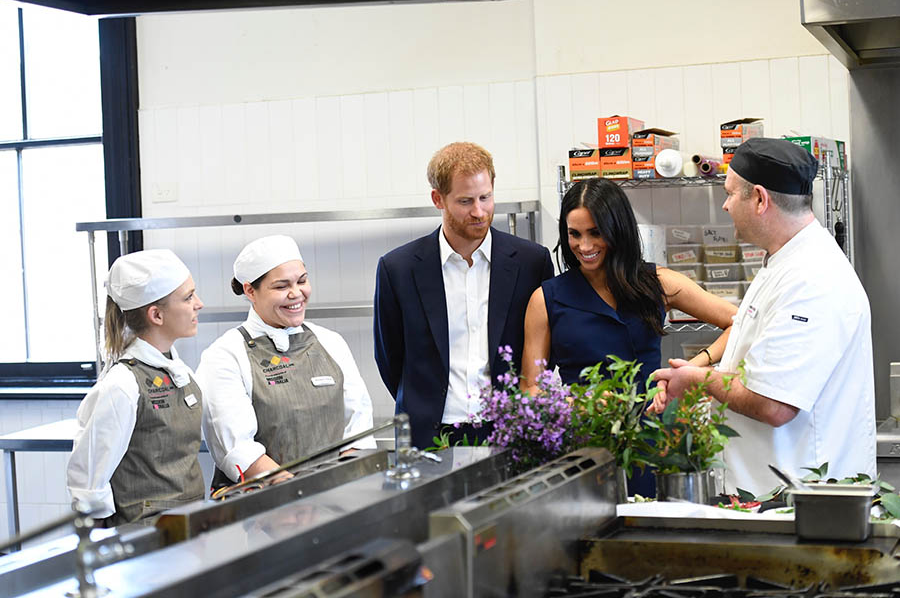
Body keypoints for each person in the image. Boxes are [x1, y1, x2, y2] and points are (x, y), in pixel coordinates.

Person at [649, 138, 876, 495]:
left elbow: (774, 404)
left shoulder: (812, 278)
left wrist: (698, 380)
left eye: (728, 194)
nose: (725, 206)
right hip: (771, 495)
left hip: (805, 503)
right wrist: (696, 377)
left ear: (759, 199)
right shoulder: (783, 263)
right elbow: (756, 370)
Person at [521, 177, 737, 495]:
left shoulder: (656, 282)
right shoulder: (546, 299)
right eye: (574, 234)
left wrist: (693, 367)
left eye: (596, 233)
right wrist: (575, 404)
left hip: (655, 440)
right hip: (584, 449)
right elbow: (530, 388)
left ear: (617, 229)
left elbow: (739, 323)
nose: (585, 246)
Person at [373, 141, 555, 449]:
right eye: (465, 201)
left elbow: (543, 350)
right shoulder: (398, 268)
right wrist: (423, 401)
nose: (479, 212)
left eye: (486, 197)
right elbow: (389, 357)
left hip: (508, 430)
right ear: (438, 199)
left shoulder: (531, 262)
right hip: (428, 433)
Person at [197, 235, 376, 489]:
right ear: (250, 291)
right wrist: (300, 498)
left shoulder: (330, 342)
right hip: (262, 509)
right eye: (281, 286)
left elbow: (358, 426)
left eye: (302, 281)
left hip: (334, 496)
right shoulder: (226, 355)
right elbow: (239, 450)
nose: (297, 294)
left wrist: (343, 491)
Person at [67, 249, 205, 525]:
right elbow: (89, 483)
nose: (198, 304)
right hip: (143, 539)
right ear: (156, 315)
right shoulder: (121, 385)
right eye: (188, 297)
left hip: (187, 528)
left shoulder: (181, 372)